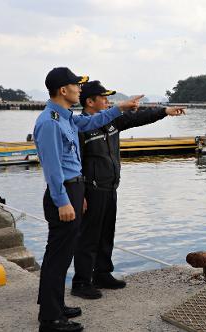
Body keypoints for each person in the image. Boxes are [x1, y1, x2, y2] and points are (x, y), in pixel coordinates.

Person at [34, 68, 142, 332]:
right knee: (57, 257)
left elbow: (93, 122)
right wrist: (62, 202)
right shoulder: (49, 122)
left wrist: (121, 108)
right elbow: (52, 168)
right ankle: (50, 319)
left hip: (74, 189)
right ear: (63, 90)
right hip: (65, 192)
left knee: (62, 254)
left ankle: (55, 306)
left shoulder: (66, 118)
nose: (80, 90)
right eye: (76, 85)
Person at [71, 80, 185, 299]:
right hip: (91, 189)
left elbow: (138, 117)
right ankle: (81, 282)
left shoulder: (112, 122)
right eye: (103, 98)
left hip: (110, 187)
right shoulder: (80, 127)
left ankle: (102, 274)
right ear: (90, 102)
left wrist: (165, 111)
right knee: (88, 237)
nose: (107, 101)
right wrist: (80, 193)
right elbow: (75, 162)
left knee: (106, 234)